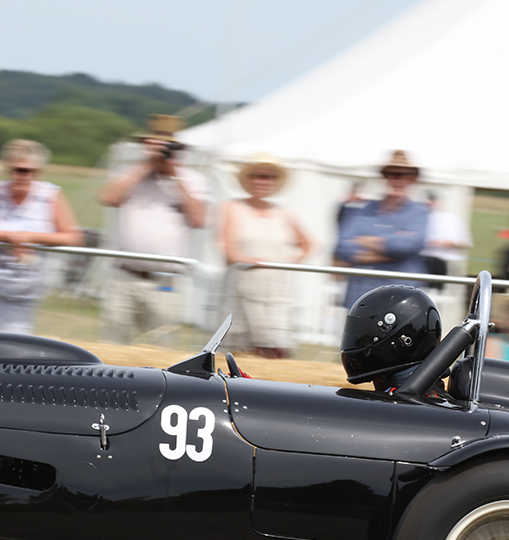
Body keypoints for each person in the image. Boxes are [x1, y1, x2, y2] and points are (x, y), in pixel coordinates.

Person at [96, 115, 208, 344]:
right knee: (112, 347)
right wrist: (147, 166)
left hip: (165, 282)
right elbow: (108, 197)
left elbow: (198, 219)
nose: (159, 152)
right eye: (153, 145)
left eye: (166, 147)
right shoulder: (129, 173)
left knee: (159, 350)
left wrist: (173, 175)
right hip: (125, 275)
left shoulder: (193, 179)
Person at [0, 139, 82, 333]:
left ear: (38, 171)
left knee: (14, 344)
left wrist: (30, 237)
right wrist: (10, 237)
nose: (22, 175)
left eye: (28, 171)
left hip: (24, 286)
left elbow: (72, 236)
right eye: (17, 170)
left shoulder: (51, 194)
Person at [220, 156, 312, 359]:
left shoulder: (285, 213)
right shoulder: (232, 207)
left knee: (276, 348)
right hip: (242, 285)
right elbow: (226, 247)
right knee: (238, 351)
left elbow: (308, 244)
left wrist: (288, 262)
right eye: (256, 176)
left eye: (268, 177)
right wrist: (246, 260)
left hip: (277, 290)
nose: (261, 181)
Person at [333, 150, 430, 308]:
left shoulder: (419, 211)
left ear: (412, 178)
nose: (398, 179)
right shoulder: (362, 209)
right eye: (392, 173)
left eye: (404, 174)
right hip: (361, 293)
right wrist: (391, 250)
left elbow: (410, 245)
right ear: (385, 176)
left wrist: (366, 241)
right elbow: (344, 248)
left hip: (401, 297)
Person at [340, 284, 443, 394]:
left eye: (367, 334)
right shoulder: (414, 393)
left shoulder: (407, 397)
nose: (357, 340)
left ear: (404, 340)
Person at [421, 189, 472, 280]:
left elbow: (463, 242)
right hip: (421, 260)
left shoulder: (452, 219)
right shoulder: (418, 217)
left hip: (444, 261)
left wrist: (442, 243)